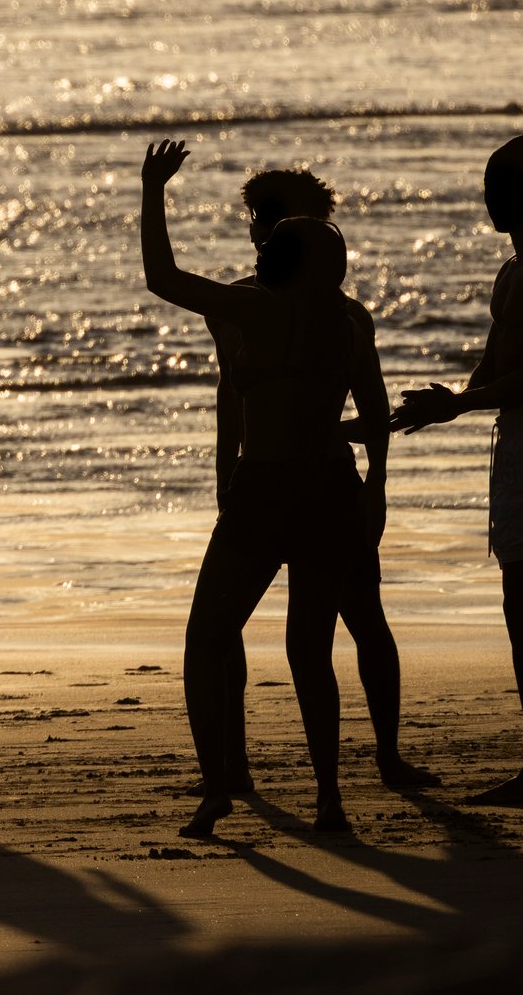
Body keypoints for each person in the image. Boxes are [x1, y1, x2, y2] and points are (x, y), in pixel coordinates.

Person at [140, 140, 388, 837]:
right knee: (310, 650)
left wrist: (153, 190)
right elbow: (371, 414)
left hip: (266, 491)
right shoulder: (348, 322)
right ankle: (330, 797)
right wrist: (375, 482)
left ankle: (218, 787)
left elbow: (162, 276)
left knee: (207, 637)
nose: (261, 249)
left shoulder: (256, 311)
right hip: (331, 491)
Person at [205, 169, 435, 792]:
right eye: (256, 218)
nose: (259, 230)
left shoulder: (347, 315)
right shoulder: (235, 305)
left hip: (327, 483)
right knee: (227, 627)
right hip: (260, 478)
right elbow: (231, 393)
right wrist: (226, 468)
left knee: (361, 615)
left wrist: (376, 484)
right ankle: (233, 763)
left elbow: (368, 400)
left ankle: (386, 756)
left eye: (272, 218)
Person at [391, 135, 523, 805]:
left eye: (502, 188)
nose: (490, 200)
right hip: (516, 441)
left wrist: (460, 404)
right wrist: (440, 406)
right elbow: (495, 365)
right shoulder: (512, 271)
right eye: (488, 188)